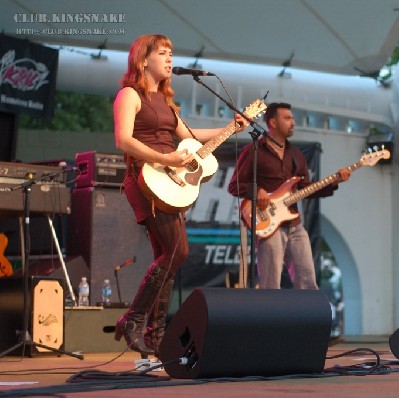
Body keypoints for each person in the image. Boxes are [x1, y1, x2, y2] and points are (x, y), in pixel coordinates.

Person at [113, 34, 248, 357]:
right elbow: (123, 140)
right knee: (179, 252)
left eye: (172, 53)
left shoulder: (165, 102)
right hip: (145, 177)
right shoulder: (129, 95)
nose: (170, 59)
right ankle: (133, 320)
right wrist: (166, 159)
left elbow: (188, 136)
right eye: (163, 53)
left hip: (168, 182)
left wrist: (230, 128)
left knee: (170, 258)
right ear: (144, 60)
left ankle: (155, 335)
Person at [227, 102, 350, 289]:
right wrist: (256, 190)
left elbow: (305, 189)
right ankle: (270, 318)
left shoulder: (296, 154)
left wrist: (334, 182)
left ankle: (307, 317)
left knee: (308, 281)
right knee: (271, 285)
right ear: (273, 123)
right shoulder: (253, 150)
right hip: (269, 225)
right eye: (287, 118)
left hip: (294, 224)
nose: (293, 122)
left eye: (292, 118)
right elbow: (234, 186)